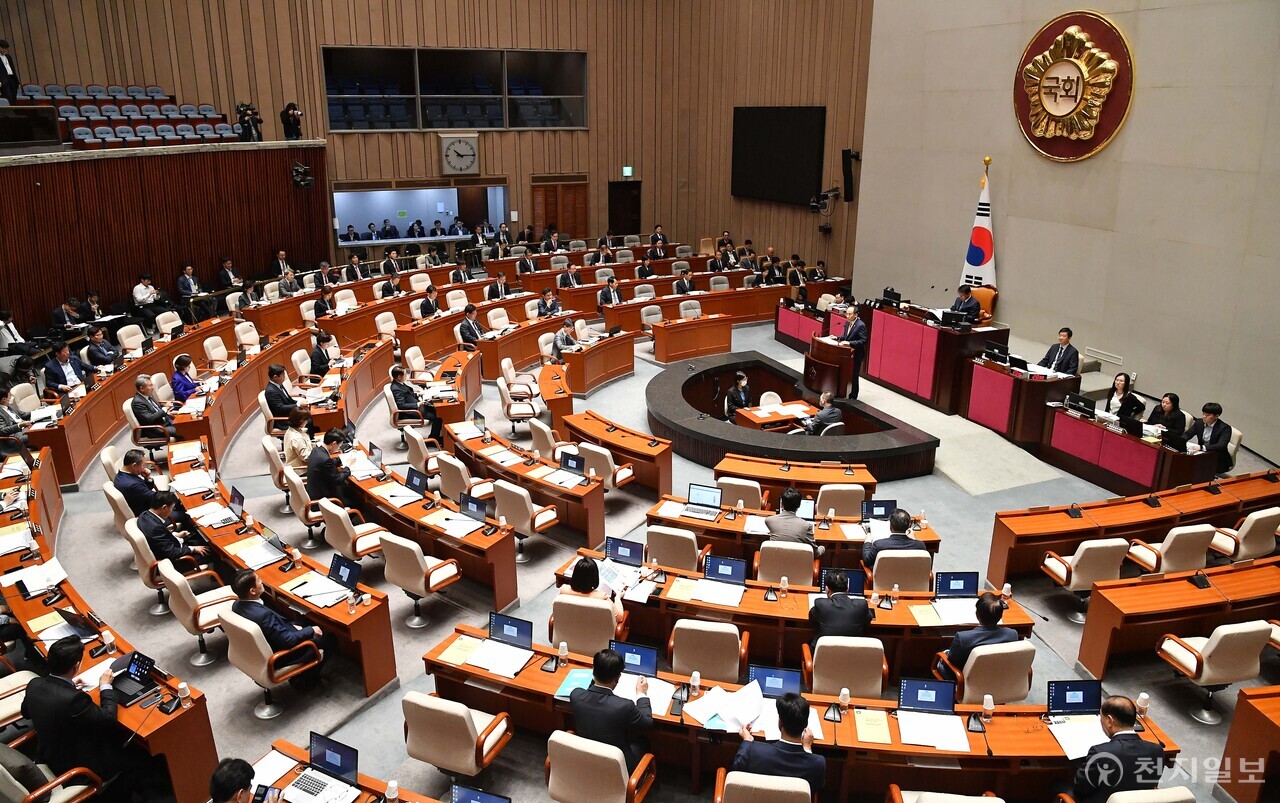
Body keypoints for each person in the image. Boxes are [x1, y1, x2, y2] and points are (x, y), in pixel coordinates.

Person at [21, 636, 155, 794]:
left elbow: (26, 713)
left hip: (49, 753)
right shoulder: (74, 699)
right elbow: (109, 719)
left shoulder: (34, 684)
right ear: (76, 665)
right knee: (136, 747)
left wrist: (69, 688)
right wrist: (105, 686)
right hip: (82, 767)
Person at [231, 569, 334, 688]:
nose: (262, 581)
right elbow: (287, 641)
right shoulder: (263, 616)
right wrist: (310, 630)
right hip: (282, 654)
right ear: (252, 591)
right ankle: (305, 679)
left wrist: (294, 627)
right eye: (258, 580)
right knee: (330, 639)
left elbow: (273, 628)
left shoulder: (237, 605)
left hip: (266, 643)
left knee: (304, 619)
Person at [568, 649, 652, 772]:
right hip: (618, 766)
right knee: (643, 742)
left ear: (593, 671)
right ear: (617, 678)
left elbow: (590, 691)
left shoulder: (576, 695)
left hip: (585, 759)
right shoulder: (625, 706)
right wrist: (641, 693)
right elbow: (647, 723)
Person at [1072, 696, 1165, 803]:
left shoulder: (1100, 753)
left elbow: (1080, 789)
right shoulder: (1157, 750)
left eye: (1101, 718)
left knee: (1058, 785)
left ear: (1110, 721)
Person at [732, 693, 825, 796]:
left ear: (780, 722)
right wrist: (807, 750)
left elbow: (736, 770)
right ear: (805, 725)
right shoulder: (818, 763)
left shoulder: (754, 751)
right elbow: (813, 789)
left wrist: (747, 741)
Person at [936, 592, 1021, 680]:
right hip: (1000, 679)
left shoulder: (963, 638)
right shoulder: (1012, 634)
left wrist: (946, 653)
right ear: (1000, 616)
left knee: (942, 652)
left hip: (967, 680)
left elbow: (952, 661)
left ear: (977, 614)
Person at [139, 490, 208, 563]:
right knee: (211, 552)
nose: (171, 511)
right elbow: (171, 553)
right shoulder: (155, 528)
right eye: (171, 508)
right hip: (174, 561)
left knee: (197, 537)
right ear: (164, 508)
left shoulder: (144, 515)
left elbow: (161, 540)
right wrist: (193, 549)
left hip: (171, 546)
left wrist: (177, 535)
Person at [809, 569, 872, 645]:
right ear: (847, 589)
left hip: (824, 654)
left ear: (827, 589)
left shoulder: (821, 604)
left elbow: (812, 618)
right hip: (854, 654)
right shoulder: (861, 604)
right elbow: (868, 619)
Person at [559, 557, 625, 621]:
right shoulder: (602, 597)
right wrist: (617, 598)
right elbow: (619, 617)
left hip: (569, 629)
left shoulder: (563, 591)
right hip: (597, 631)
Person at [765, 487, 824, 557]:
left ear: (781, 504)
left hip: (773, 565)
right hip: (798, 566)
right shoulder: (806, 525)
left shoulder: (769, 521)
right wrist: (822, 548)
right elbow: (815, 553)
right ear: (799, 505)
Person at [306, 428, 357, 507]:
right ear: (334, 443)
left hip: (315, 491)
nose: (339, 448)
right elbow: (337, 480)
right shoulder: (325, 460)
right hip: (324, 499)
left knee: (349, 489)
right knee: (357, 499)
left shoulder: (316, 450)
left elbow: (327, 465)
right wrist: (348, 467)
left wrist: (341, 458)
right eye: (339, 445)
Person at [390, 365, 442, 441]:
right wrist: (418, 404)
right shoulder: (396, 389)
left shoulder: (399, 383)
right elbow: (401, 405)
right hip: (411, 411)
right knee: (438, 416)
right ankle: (433, 439)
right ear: (399, 377)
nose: (406, 376)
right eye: (405, 375)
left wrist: (418, 394)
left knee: (436, 408)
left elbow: (408, 394)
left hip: (416, 405)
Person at [862, 508, 926, 567]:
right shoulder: (920, 546)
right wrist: (913, 540)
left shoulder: (879, 545)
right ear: (909, 526)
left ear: (890, 526)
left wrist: (867, 541)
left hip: (884, 578)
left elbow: (867, 561)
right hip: (910, 578)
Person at [1186, 401, 1234, 474]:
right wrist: (1179, 441)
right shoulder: (1199, 422)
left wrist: (1202, 447)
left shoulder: (1225, 428)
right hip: (1202, 454)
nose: (1204, 417)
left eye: (1207, 415)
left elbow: (1221, 446)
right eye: (1203, 414)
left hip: (1218, 458)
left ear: (1216, 416)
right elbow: (1187, 434)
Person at [834, 307, 868, 399]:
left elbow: (863, 341)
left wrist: (850, 343)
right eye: (846, 314)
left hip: (856, 355)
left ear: (856, 315)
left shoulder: (861, 325)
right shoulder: (847, 322)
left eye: (850, 314)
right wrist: (836, 337)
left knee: (854, 375)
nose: (847, 316)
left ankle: (853, 396)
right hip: (847, 354)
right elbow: (846, 336)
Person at [132, 375, 178, 439]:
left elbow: (156, 407)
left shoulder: (147, 395)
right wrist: (165, 409)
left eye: (152, 385)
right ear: (142, 388)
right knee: (183, 431)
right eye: (150, 385)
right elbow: (149, 419)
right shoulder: (138, 403)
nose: (152, 387)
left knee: (186, 425)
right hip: (157, 429)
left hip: (165, 422)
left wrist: (166, 406)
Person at [264, 364, 297, 432]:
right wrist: (298, 405)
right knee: (311, 421)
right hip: (283, 421)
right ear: (275, 377)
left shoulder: (278, 384)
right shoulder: (271, 391)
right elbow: (280, 408)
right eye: (283, 375)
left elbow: (288, 399)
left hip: (290, 413)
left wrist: (300, 404)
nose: (285, 377)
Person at [0, 386, 31, 454]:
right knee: (39, 436)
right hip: (15, 437)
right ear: (4, 399)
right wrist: (19, 426)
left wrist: (36, 411)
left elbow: (23, 415)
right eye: (10, 396)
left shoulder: (9, 406)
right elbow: (2, 431)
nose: (11, 397)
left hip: (25, 428)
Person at [282, 407, 314, 472]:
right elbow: (306, 457)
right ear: (301, 421)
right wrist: (320, 451)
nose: (307, 422)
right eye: (305, 420)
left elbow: (305, 445)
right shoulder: (297, 439)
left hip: (296, 465)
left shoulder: (290, 430)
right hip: (301, 470)